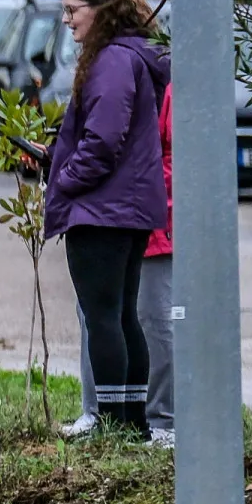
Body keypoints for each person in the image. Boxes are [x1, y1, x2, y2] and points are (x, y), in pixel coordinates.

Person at [44, 0, 169, 439]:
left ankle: (114, 424)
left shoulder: (113, 61)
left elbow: (103, 140)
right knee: (120, 316)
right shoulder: (130, 56)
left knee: (103, 318)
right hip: (125, 209)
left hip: (102, 211)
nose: (67, 20)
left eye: (73, 10)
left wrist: (66, 181)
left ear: (100, 10)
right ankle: (131, 422)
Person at [64, 79, 176, 446]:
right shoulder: (104, 79)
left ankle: (159, 419)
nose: (68, 20)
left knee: (152, 321)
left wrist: (122, 184)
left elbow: (175, 159)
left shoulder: (160, 87)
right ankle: (97, 413)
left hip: (144, 226)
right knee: (99, 319)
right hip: (111, 219)